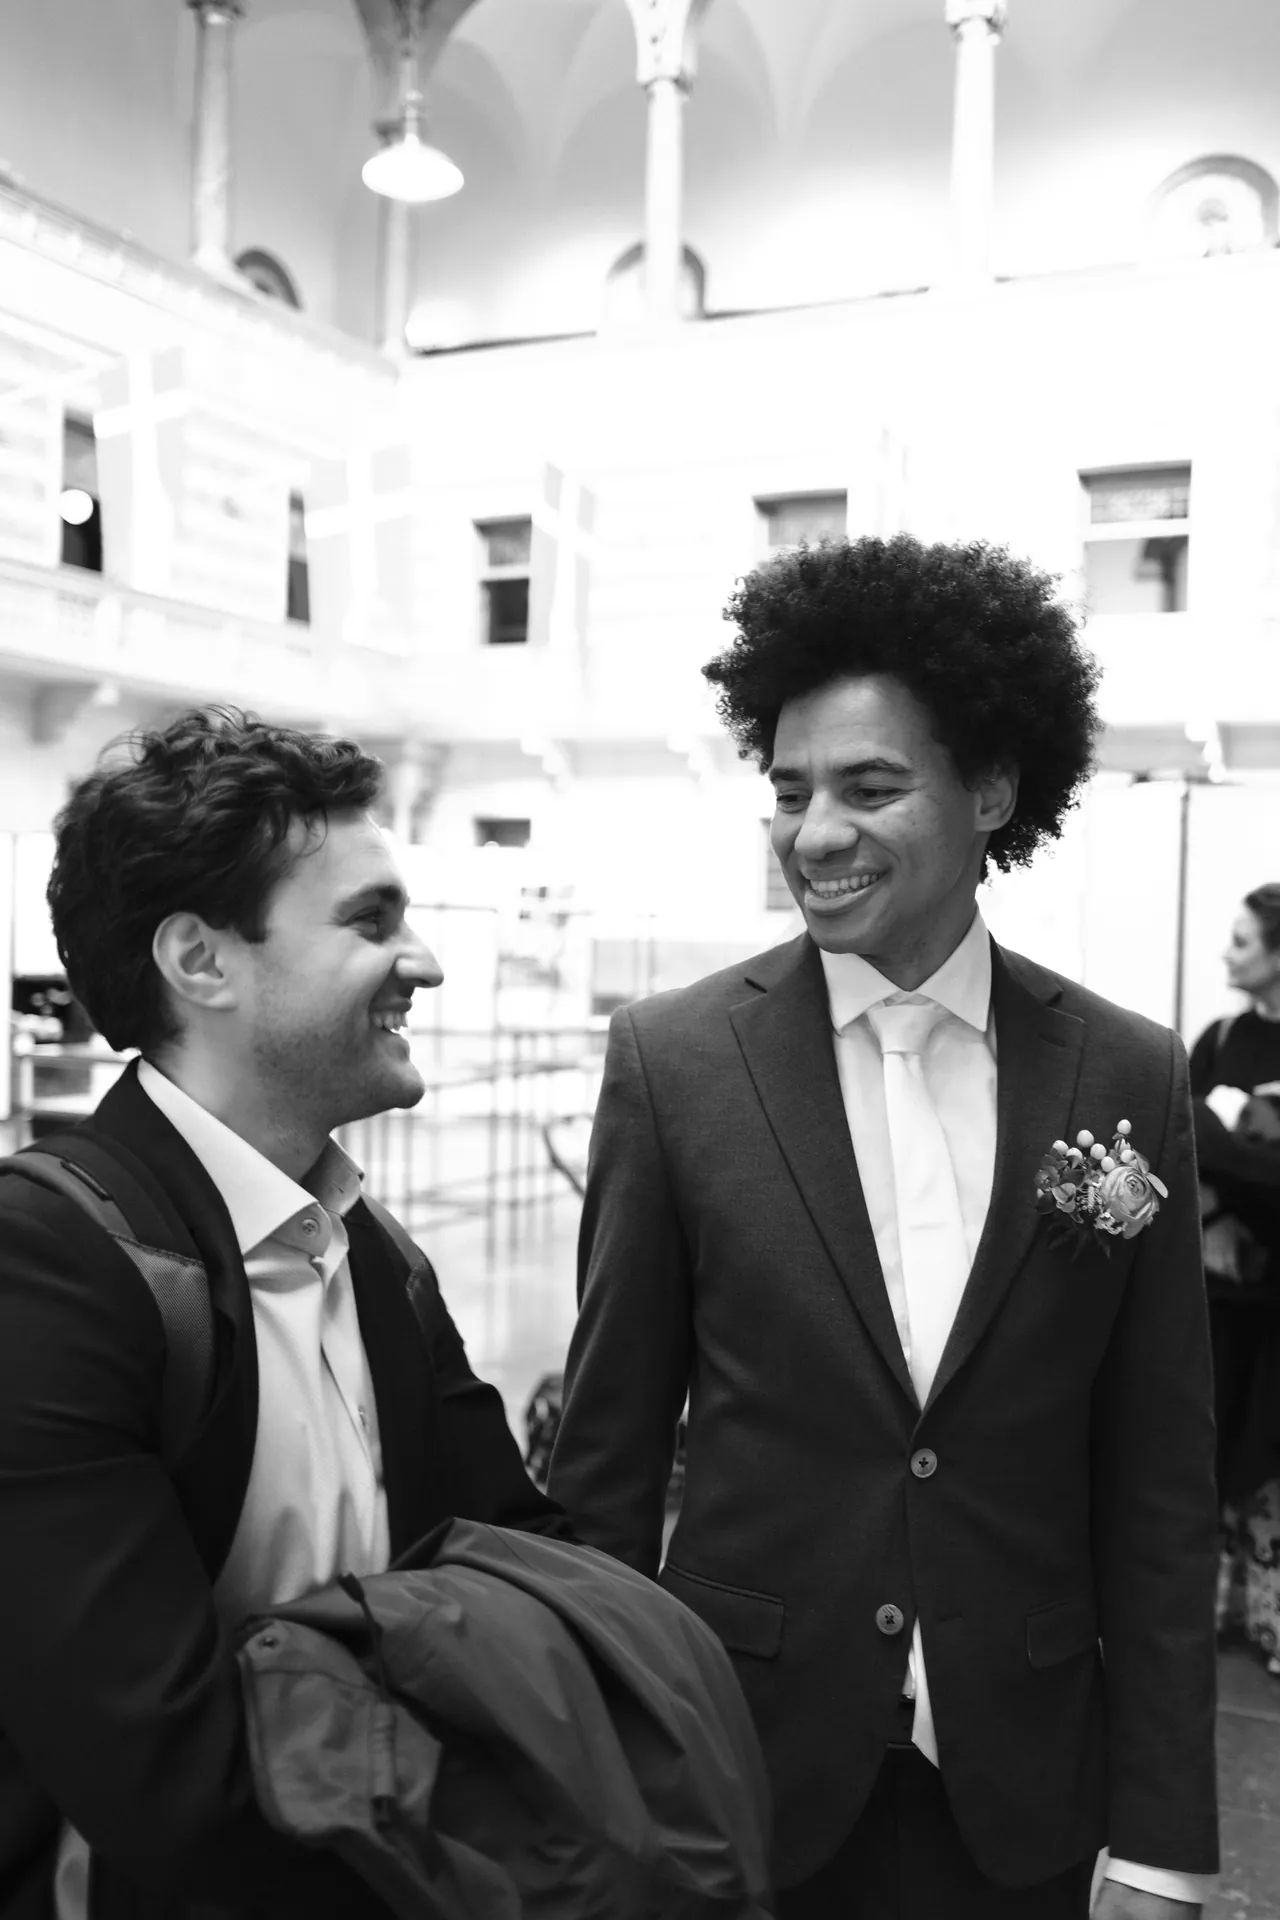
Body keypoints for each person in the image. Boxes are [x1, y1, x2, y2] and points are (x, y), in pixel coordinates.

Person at [549, 535, 1219, 1919]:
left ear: (991, 792)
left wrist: (1163, 1840)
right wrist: (601, 1791)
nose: (814, 835)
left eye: (869, 788)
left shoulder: (1125, 1073)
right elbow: (604, 1466)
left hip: (1025, 1786)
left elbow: (1158, 1486)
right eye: (789, 791)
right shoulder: (676, 1063)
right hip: (740, 1775)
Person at [0, 708, 571, 1920]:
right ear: (200, 962)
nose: (423, 961)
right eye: (371, 920)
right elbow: (161, 1772)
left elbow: (520, 1567)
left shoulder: (370, 1249)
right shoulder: (45, 1267)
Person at [1191, 885, 1280, 1672]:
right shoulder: (1221, 1039)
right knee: (1216, 1445)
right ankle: (1212, 1614)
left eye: (1244, 941)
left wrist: (1234, 1153)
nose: (1228, 952)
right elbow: (1179, 1138)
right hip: (1223, 1289)